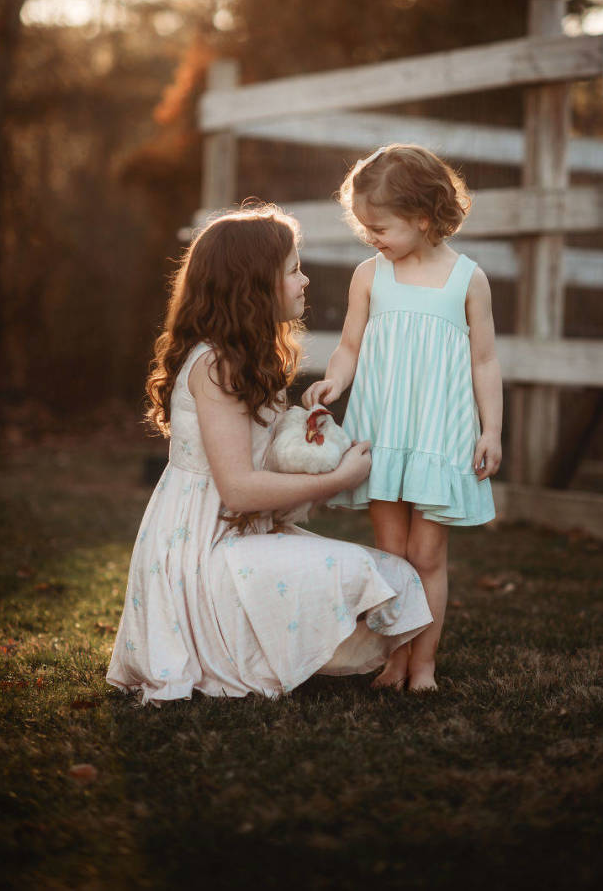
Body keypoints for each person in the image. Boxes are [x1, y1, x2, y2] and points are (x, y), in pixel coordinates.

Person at [107, 204, 432, 705]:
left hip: (231, 534)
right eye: (293, 270)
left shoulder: (244, 358)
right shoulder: (218, 366)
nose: (305, 281)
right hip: (203, 552)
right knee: (372, 576)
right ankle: (225, 638)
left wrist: (303, 433)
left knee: (385, 577)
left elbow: (258, 456)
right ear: (253, 283)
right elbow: (238, 488)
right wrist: (340, 478)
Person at [302, 145, 502, 692]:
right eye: (364, 227)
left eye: (381, 227)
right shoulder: (370, 275)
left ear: (423, 217)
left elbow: (484, 361)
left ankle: (425, 664)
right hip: (385, 432)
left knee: (426, 553)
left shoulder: (468, 280)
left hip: (440, 433)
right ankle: (393, 660)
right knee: (391, 555)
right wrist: (333, 382)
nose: (372, 238)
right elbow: (348, 346)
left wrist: (491, 430)